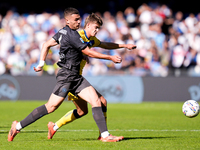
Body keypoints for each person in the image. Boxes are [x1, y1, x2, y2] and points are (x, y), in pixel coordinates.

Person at [7, 7, 133, 142]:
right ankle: (18, 126)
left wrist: (41, 63)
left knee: (96, 101)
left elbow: (46, 44)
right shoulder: (74, 36)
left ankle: (105, 135)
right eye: (76, 20)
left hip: (76, 77)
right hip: (66, 75)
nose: (79, 22)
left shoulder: (63, 32)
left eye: (79, 19)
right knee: (50, 107)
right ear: (67, 21)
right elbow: (89, 52)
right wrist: (111, 58)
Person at [48, 13, 137, 140]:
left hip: (77, 77)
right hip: (71, 78)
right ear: (88, 25)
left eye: (98, 28)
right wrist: (82, 54)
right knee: (98, 102)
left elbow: (105, 45)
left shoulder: (92, 40)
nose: (97, 30)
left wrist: (124, 46)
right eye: (95, 27)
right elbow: (69, 48)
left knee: (83, 111)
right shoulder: (78, 36)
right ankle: (103, 135)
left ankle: (54, 126)